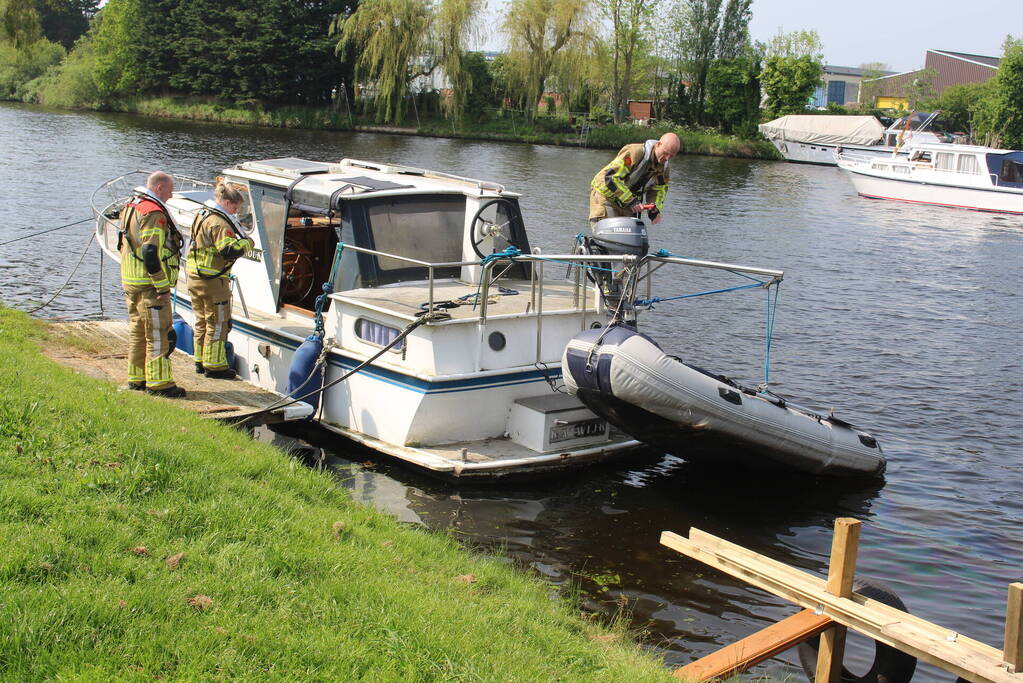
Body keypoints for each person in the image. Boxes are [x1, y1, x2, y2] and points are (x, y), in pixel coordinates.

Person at [119, 171, 185, 397]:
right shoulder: (154, 213)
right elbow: (149, 250)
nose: (172, 193)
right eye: (170, 189)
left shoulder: (132, 206)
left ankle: (137, 379)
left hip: (131, 281)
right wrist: (162, 286)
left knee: (138, 333)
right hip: (149, 286)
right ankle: (160, 384)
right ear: (159, 188)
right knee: (158, 334)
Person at [185, 182, 254, 379]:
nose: (236, 211)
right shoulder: (220, 223)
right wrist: (248, 242)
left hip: (194, 276)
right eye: (235, 207)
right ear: (225, 202)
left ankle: (199, 360)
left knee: (201, 321)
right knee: (218, 323)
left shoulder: (202, 214)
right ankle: (214, 366)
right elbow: (228, 250)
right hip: (213, 280)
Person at [589, 132, 680, 228]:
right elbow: (611, 178)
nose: (667, 158)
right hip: (606, 195)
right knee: (606, 233)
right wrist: (632, 201)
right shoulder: (635, 152)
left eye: (671, 156)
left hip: (626, 202)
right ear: (658, 145)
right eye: (665, 153)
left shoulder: (664, 168)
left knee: (629, 239)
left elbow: (659, 190)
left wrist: (653, 208)